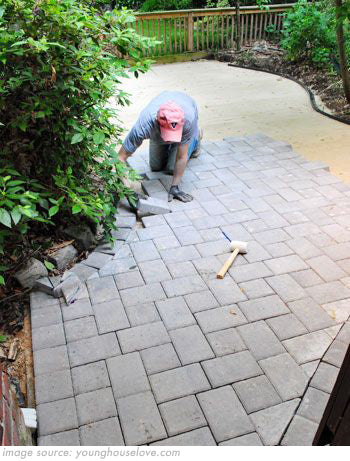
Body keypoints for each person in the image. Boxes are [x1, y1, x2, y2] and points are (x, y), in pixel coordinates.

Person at [118, 91, 201, 203]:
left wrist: (174, 187)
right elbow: (120, 157)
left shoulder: (188, 121)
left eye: (173, 134)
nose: (171, 139)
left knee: (172, 168)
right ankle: (170, 141)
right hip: (157, 132)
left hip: (185, 124)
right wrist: (127, 188)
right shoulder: (144, 126)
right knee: (156, 167)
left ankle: (195, 140)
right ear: (157, 122)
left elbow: (181, 157)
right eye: (169, 134)